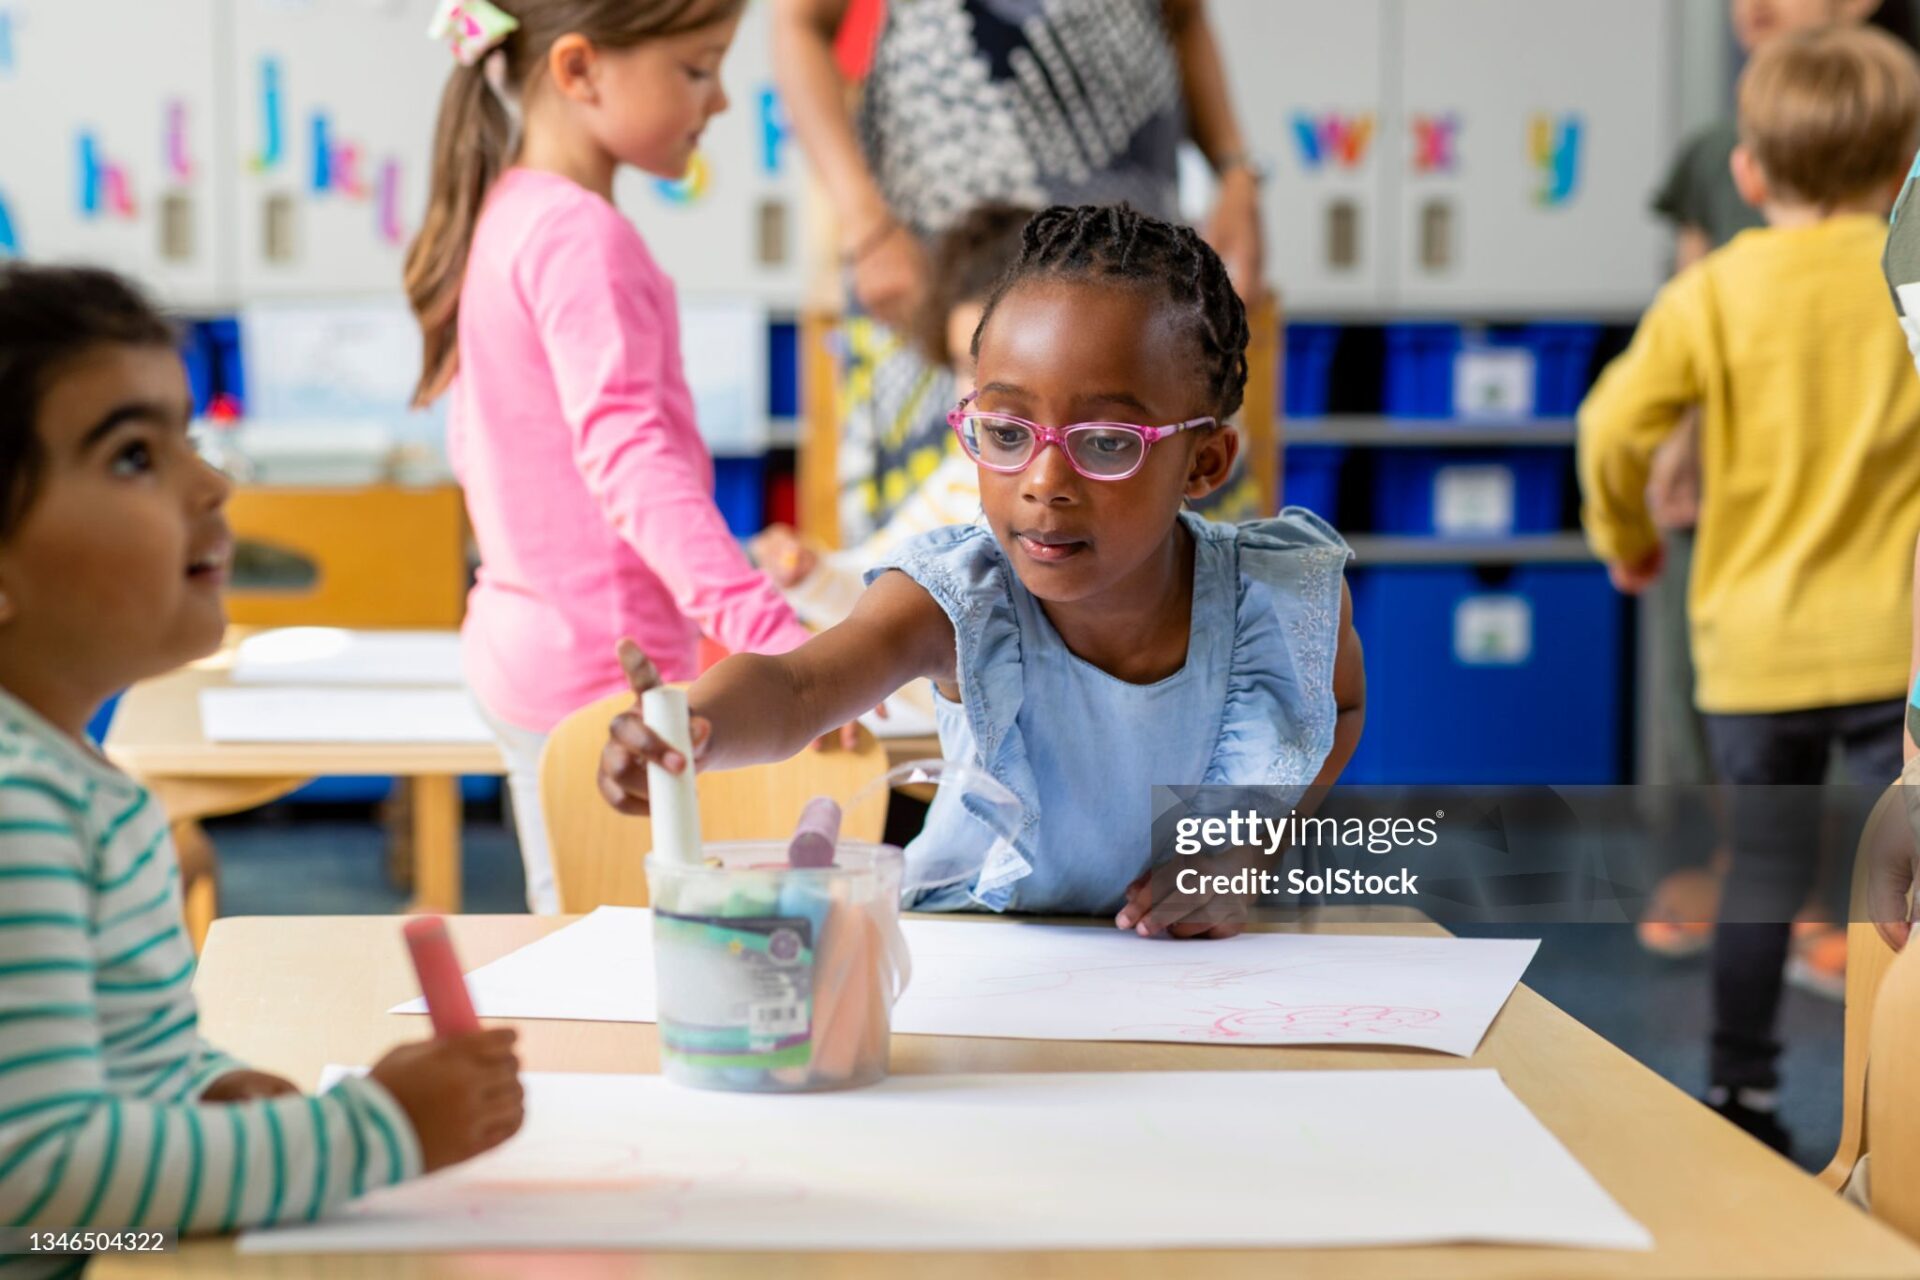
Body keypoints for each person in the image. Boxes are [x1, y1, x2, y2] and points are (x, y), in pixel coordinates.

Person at [599, 205, 1365, 936]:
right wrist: (697, 729)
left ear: (1204, 463)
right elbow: (798, 687)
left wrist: (1244, 857)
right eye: (1005, 430)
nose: (1041, 480)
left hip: (1176, 982)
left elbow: (1343, 708)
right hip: (968, 957)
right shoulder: (961, 597)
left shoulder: (1278, 601)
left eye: (1105, 441)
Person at [0, 264, 522, 1271]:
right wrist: (371, 1133)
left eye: (187, 438)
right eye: (132, 456)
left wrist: (206, 1088)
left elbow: (108, 1060)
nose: (212, 483)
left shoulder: (65, 773)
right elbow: (37, 1188)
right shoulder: (18, 805)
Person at [1578, 25, 1920, 1155]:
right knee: (1893, 887)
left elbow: (1612, 425)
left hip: (1754, 650)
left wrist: (1624, 534)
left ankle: (1742, 1094)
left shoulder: (1713, 292)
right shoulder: (1906, 287)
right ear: (1903, 161)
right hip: (1889, 651)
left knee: (1762, 871)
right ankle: (1885, 1117)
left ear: (1748, 171)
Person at [403, 0, 819, 913]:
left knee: (584, 930)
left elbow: (499, 446)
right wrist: (774, 640)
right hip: (602, 682)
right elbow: (628, 461)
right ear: (581, 71)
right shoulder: (579, 236)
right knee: (616, 954)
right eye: (697, 69)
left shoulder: (509, 210)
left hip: (533, 651)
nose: (718, 103)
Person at [773, 0, 1268, 546]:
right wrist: (865, 222)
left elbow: (1186, 18)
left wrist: (1235, 171)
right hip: (938, 258)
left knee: (1158, 526)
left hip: (1132, 251)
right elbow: (800, 24)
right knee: (937, 549)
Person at [1639, 0, 1903, 972]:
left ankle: (1833, 907)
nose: (1753, 6)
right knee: (1724, 691)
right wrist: (1679, 445)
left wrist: (1613, 505)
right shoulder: (1716, 150)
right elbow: (1686, 302)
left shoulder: (1894, 140)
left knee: (1864, 732)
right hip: (1742, 471)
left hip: (1865, 493)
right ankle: (1756, 870)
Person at [750, 203, 1036, 627]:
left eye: (998, 367)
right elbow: (879, 581)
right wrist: (814, 575)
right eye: (962, 366)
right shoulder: (959, 475)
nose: (976, 397)